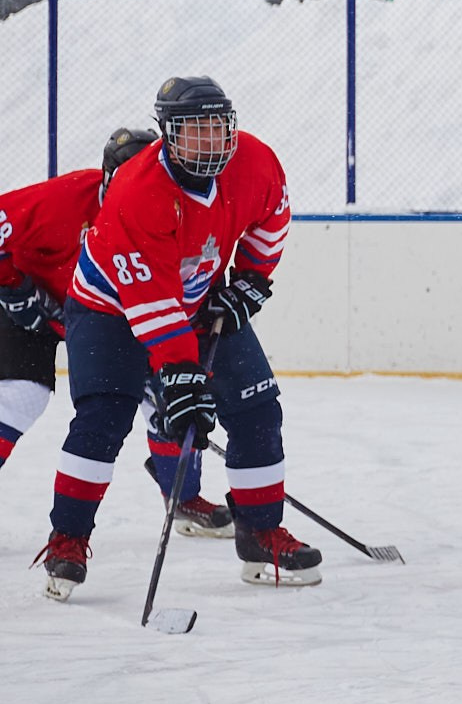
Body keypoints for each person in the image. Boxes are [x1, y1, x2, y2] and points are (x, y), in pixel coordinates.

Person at [38, 78, 315, 600]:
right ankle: (67, 540)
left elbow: (271, 219)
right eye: (194, 131)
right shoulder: (138, 191)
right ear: (168, 134)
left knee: (258, 410)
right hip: (110, 308)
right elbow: (152, 304)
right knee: (104, 418)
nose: (209, 141)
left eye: (217, 128)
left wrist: (250, 280)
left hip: (194, 297)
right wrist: (181, 375)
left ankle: (259, 536)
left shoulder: (255, 161)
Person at [1, 130, 156, 484]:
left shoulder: (169, 214)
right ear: (107, 176)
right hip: (33, 309)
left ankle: (184, 495)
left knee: (162, 394)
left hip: (108, 319)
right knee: (21, 395)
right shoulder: (67, 198)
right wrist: (12, 286)